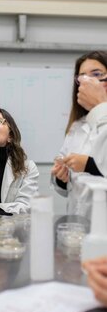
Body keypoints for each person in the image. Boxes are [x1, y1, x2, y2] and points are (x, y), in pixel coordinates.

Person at [51, 51, 107, 207]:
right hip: (78, 222)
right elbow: (67, 189)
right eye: (82, 77)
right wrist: (62, 178)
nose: (88, 82)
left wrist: (89, 165)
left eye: (96, 74)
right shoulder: (78, 125)